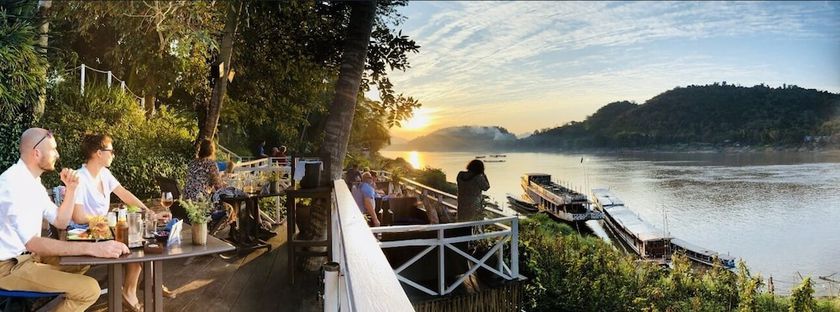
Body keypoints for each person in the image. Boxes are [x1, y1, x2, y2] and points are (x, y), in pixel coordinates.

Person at [0, 128, 130, 312]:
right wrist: (94, 247)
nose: (57, 154)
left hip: (29, 258)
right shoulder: (13, 185)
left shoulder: (32, 182)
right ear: (36, 153)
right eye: (53, 149)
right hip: (8, 267)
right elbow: (33, 243)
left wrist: (71, 189)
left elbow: (60, 221)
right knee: (89, 290)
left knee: (82, 260)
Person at [71, 134, 172, 311]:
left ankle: (135, 289)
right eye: (111, 151)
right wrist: (108, 221)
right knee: (134, 244)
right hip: (83, 232)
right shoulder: (80, 178)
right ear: (98, 153)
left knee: (138, 240)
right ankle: (135, 290)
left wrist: (148, 211)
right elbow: (78, 217)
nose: (114, 155)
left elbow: (124, 193)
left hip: (102, 229)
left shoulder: (104, 174)